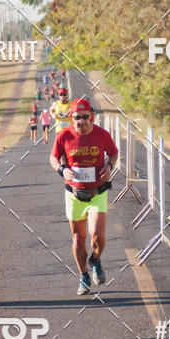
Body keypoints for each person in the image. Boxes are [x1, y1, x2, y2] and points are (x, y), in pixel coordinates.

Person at [50, 97, 118, 295]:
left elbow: (114, 153)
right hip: (74, 194)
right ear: (72, 118)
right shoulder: (64, 136)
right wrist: (62, 169)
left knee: (97, 236)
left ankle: (95, 260)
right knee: (78, 240)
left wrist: (109, 166)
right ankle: (84, 276)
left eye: (85, 117)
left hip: (98, 192)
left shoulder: (102, 135)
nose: (81, 121)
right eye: (77, 117)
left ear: (92, 117)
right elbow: (53, 157)